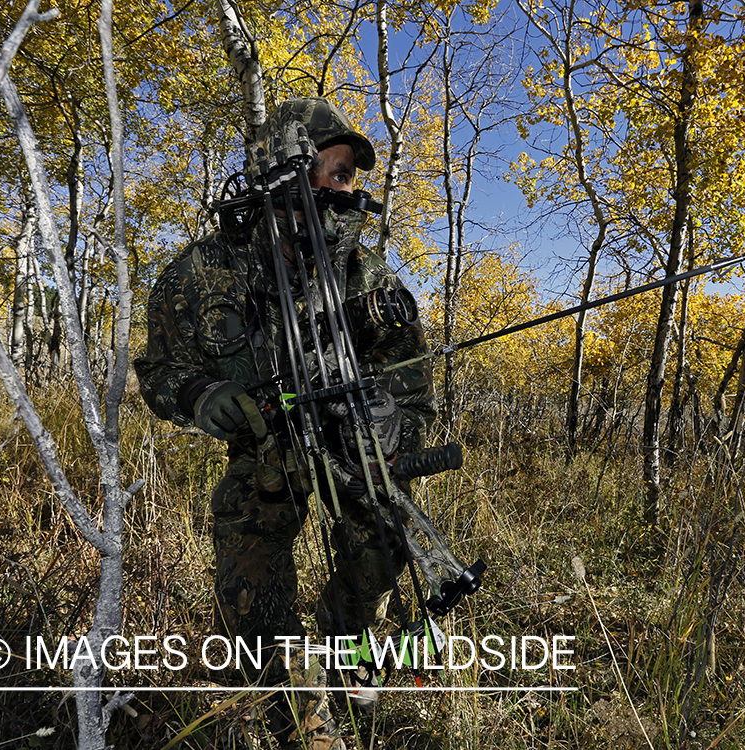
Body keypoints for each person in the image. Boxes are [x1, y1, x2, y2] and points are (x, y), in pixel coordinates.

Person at [134, 97, 436, 749]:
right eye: (322, 168)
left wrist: (388, 424)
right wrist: (196, 394)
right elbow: (158, 369)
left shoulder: (372, 278)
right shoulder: (201, 272)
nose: (336, 184)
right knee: (249, 587)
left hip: (349, 454)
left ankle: (344, 637)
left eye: (347, 172)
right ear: (278, 171)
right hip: (263, 457)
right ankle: (294, 712)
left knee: (382, 540)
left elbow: (413, 396)